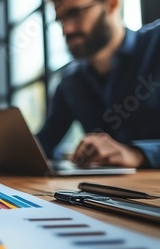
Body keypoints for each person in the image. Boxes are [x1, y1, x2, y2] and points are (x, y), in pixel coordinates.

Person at [37, 0, 160, 168]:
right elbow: (44, 143)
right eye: (61, 20)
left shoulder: (156, 43)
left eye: (75, 13)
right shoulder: (70, 82)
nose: (67, 29)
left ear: (112, 4)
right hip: (102, 190)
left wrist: (139, 154)